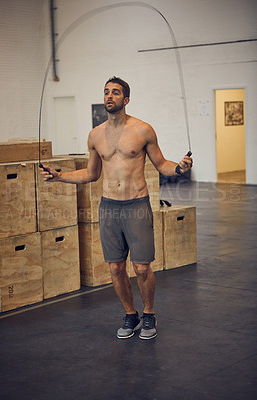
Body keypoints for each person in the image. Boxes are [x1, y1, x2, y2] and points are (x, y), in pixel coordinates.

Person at [40, 76, 193, 340]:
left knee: (142, 267)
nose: (110, 96)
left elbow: (162, 164)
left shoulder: (143, 130)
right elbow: (90, 174)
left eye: (116, 92)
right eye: (107, 92)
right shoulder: (95, 135)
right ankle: (130, 314)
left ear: (126, 99)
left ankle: (148, 315)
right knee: (115, 268)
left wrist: (179, 168)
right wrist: (59, 176)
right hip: (109, 207)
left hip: (137, 204)